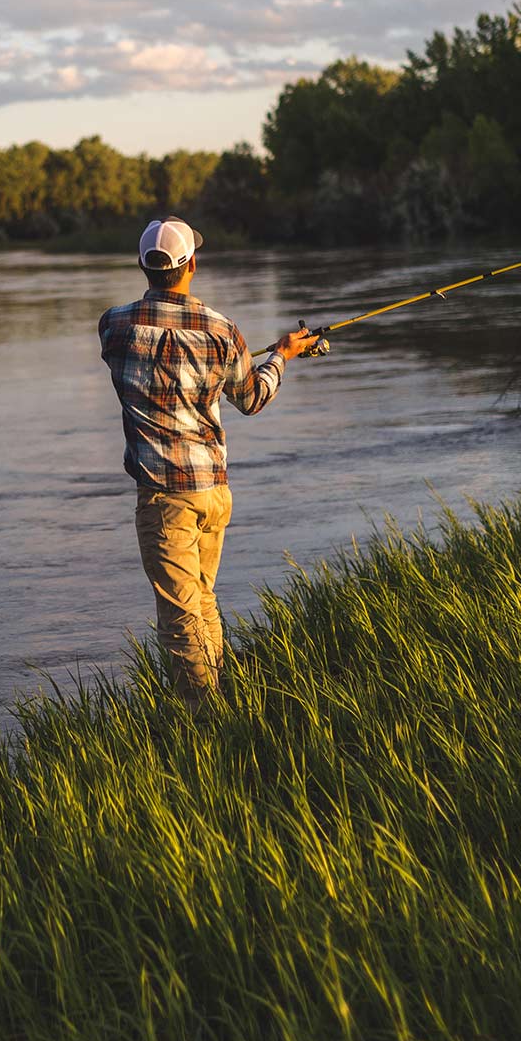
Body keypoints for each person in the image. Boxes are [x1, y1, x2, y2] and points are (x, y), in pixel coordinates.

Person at [96, 216, 319, 707]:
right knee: (202, 601)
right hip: (214, 493)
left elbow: (139, 352)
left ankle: (204, 721)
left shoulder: (113, 325)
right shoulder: (223, 332)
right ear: (191, 264)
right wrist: (281, 355)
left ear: (142, 265)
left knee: (180, 619)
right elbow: (253, 398)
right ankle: (220, 704)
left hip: (164, 499)